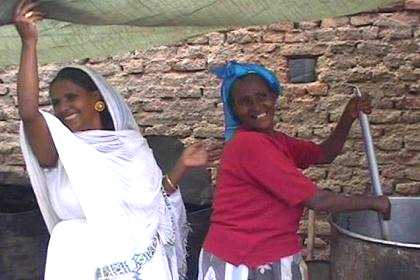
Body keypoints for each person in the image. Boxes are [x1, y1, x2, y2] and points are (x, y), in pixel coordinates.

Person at [13, 1, 219, 279]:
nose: (63, 108)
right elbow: (28, 113)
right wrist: (29, 43)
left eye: (71, 97)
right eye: (56, 102)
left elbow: (153, 203)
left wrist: (182, 164)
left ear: (97, 100)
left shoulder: (129, 146)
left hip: (139, 265)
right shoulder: (59, 150)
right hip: (80, 265)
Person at [198, 61, 391, 280]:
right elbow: (317, 200)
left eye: (262, 96)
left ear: (274, 96)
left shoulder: (276, 141)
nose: (256, 107)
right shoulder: (249, 145)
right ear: (234, 110)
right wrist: (375, 202)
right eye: (245, 102)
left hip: (270, 252)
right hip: (241, 261)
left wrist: (348, 117)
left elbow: (325, 154)